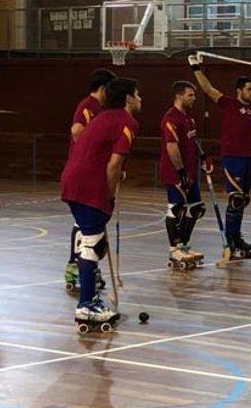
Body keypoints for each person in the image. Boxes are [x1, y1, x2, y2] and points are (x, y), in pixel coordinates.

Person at [60, 78, 142, 328]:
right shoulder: (127, 122)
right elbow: (114, 164)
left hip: (72, 181)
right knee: (93, 245)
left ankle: (89, 300)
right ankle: (86, 305)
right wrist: (109, 194)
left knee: (92, 243)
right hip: (89, 187)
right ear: (128, 98)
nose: (141, 100)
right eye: (138, 95)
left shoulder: (104, 118)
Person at [189, 55, 251, 258]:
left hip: (248, 157)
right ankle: (231, 240)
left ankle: (236, 235)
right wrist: (196, 67)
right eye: (249, 89)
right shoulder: (228, 104)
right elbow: (208, 89)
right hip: (232, 157)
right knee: (236, 199)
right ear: (239, 91)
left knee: (243, 199)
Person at [63, 68, 116, 293]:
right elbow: (76, 131)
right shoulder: (87, 106)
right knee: (83, 224)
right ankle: (75, 264)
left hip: (93, 173)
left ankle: (85, 264)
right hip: (83, 173)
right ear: (103, 89)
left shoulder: (102, 109)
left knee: (90, 224)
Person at [160, 81, 205, 269]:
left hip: (191, 171)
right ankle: (174, 248)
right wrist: (180, 171)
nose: (194, 98)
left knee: (196, 208)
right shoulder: (171, 118)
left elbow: (192, 141)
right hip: (176, 173)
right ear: (179, 96)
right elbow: (172, 146)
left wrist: (202, 157)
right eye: (190, 95)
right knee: (177, 208)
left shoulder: (189, 118)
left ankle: (183, 245)